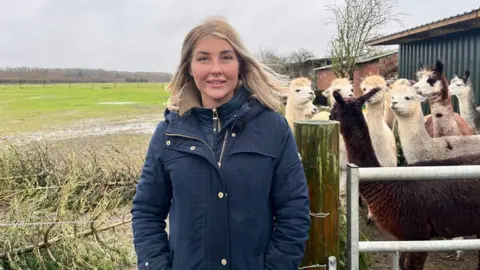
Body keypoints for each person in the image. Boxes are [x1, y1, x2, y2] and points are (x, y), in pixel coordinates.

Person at [131, 16, 311, 270]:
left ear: (240, 65)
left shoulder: (273, 129)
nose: (215, 68)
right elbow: (147, 211)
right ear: (189, 68)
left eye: (226, 57)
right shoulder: (168, 134)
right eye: (203, 58)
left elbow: (294, 211)